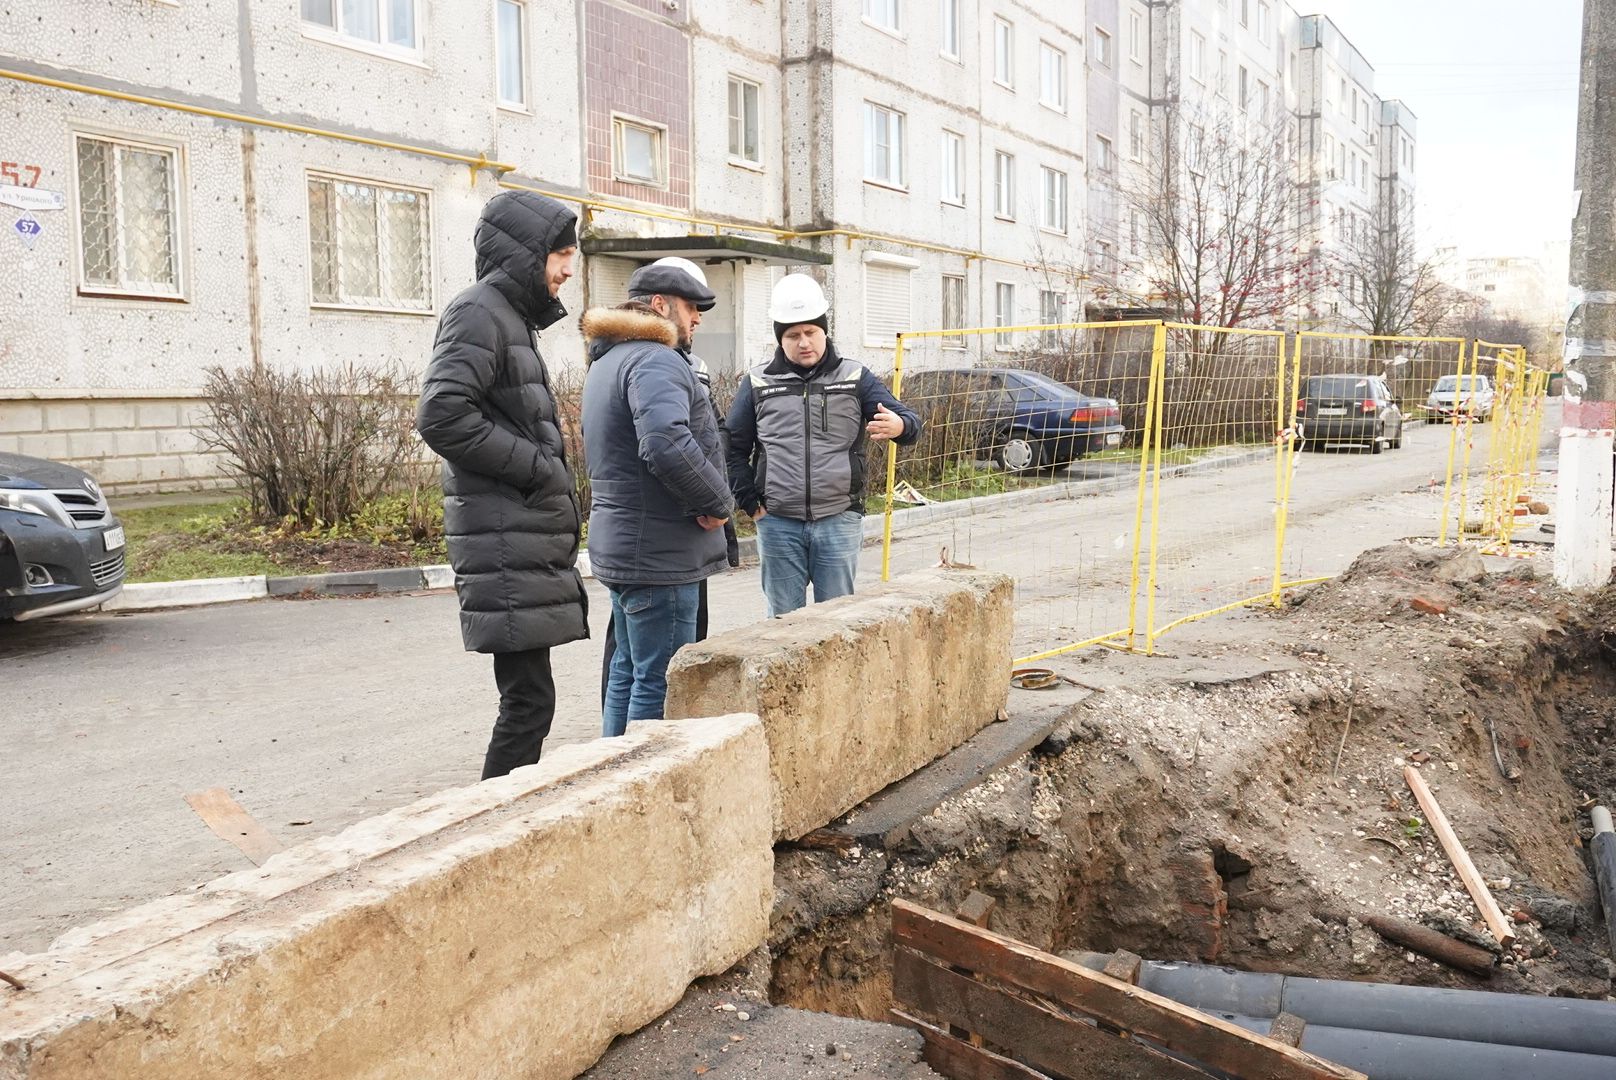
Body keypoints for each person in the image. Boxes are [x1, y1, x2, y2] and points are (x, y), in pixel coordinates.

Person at [416, 190, 588, 780]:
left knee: (528, 701)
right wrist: (538, 469)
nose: (569, 267)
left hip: (514, 535)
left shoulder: (506, 316)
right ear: (524, 253)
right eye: (561, 253)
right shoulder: (480, 312)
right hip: (503, 536)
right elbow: (442, 415)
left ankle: (499, 820)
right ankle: (492, 826)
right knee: (528, 703)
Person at [581, 258, 733, 735]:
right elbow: (666, 444)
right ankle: (639, 789)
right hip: (659, 553)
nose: (697, 319)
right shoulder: (655, 358)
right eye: (691, 307)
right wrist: (716, 503)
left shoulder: (609, 359)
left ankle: (613, 774)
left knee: (627, 672)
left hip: (628, 543)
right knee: (656, 681)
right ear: (660, 305)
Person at [726, 273, 922, 617]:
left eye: (811, 332)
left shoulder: (854, 377)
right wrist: (750, 503)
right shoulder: (758, 382)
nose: (804, 342)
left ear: (824, 331)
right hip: (777, 524)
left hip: (838, 521)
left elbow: (910, 422)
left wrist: (900, 424)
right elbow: (732, 447)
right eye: (793, 335)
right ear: (780, 338)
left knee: (836, 623)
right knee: (783, 624)